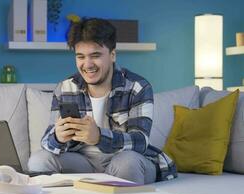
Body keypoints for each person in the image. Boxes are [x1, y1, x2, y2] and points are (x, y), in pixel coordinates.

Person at [28, 18, 177, 184]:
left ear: (112, 55)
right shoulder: (65, 88)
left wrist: (99, 137)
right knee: (38, 160)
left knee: (127, 163)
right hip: (83, 162)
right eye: (81, 57)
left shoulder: (138, 87)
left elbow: (140, 142)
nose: (87, 64)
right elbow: (46, 142)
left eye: (95, 55)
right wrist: (57, 137)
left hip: (126, 160)